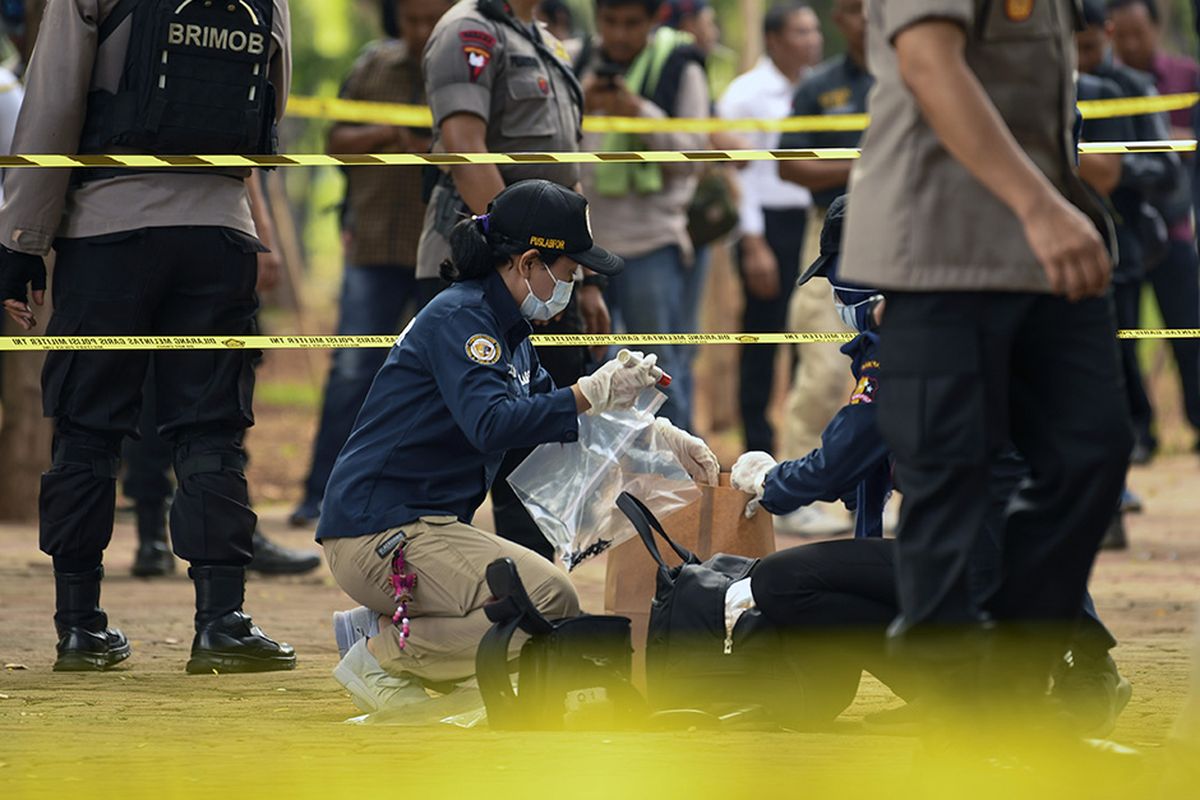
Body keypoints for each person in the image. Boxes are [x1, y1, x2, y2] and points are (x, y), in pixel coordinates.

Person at [840, 0, 1131, 749]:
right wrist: (1041, 206)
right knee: (950, 481)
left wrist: (1058, 202)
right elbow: (930, 63)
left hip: (1046, 241)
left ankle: (1011, 688)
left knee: (1090, 451)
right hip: (943, 245)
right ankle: (962, 728)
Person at [731, 196, 1131, 737]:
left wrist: (770, 483)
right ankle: (1019, 681)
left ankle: (985, 692)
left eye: (842, 278)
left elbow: (843, 457)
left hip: (981, 567)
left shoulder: (908, 346)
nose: (839, 295)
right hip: (1005, 560)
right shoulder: (963, 326)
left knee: (782, 580)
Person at [317, 180, 718, 714]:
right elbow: (492, 424)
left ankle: (395, 623)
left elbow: (553, 422)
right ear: (529, 262)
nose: (572, 287)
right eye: (570, 273)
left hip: (421, 527)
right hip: (384, 529)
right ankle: (384, 654)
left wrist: (654, 437)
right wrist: (590, 390)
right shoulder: (462, 318)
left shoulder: (510, 333)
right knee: (550, 600)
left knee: (541, 602)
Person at [0, 0, 297, 674]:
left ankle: (79, 628)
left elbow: (52, 104)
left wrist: (21, 241)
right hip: (220, 233)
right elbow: (268, 105)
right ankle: (221, 622)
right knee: (211, 428)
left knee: (85, 426)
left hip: (109, 232)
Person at [419, 0, 612, 560]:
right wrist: (519, 267)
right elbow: (463, 145)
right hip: (499, 269)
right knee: (491, 426)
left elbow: (565, 173)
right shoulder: (468, 32)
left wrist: (586, 279)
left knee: (543, 433)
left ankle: (537, 581)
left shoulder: (544, 41)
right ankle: (507, 585)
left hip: (544, 266)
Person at [289, 0, 452, 528]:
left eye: (434, 18)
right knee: (352, 372)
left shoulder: (463, 71)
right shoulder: (370, 67)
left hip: (440, 257)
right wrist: (386, 135)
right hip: (374, 248)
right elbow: (335, 141)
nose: (422, 30)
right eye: (412, 18)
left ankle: (429, 504)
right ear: (394, 18)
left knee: (439, 380)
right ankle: (319, 495)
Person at [578, 0, 709, 430]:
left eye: (631, 23)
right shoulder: (575, 60)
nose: (618, 34)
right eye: (610, 21)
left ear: (654, 21)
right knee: (589, 371)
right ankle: (606, 481)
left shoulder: (681, 65)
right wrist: (583, 102)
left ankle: (680, 482)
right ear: (597, 19)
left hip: (652, 243)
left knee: (661, 367)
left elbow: (693, 156)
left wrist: (639, 113)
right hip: (585, 245)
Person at [773, 0, 870, 537]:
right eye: (857, 9)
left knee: (903, 362)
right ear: (841, 17)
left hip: (913, 231)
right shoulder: (820, 88)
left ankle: (885, 489)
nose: (869, 18)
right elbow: (789, 163)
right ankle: (795, 492)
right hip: (833, 234)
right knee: (826, 366)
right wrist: (865, 164)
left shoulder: (922, 70)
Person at [716, 2, 816, 464]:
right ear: (774, 39)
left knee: (808, 340)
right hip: (765, 225)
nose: (812, 40)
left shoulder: (820, 89)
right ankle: (757, 454)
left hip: (812, 225)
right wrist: (753, 242)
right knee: (761, 339)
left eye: (815, 30)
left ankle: (801, 456)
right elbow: (738, 174)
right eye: (801, 31)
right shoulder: (746, 93)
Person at [1107, 0, 1200, 461]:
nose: (1129, 45)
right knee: (1123, 340)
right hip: (1125, 239)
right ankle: (1139, 433)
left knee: (1190, 334)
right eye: (1119, 36)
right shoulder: (1104, 90)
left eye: (1137, 34)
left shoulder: (1188, 79)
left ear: (1155, 28)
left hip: (1178, 233)